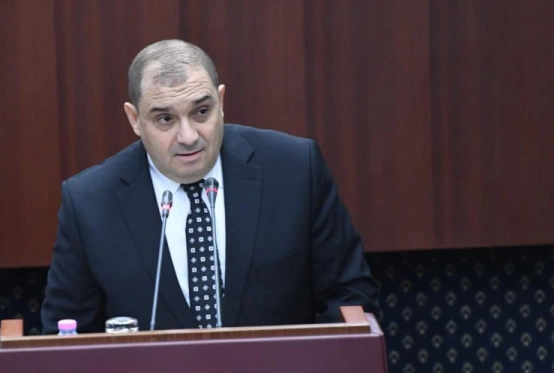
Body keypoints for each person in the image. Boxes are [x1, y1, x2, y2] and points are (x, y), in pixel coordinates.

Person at [40, 39, 378, 334]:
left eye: (201, 112)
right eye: (165, 119)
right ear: (134, 119)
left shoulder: (294, 171)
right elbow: (66, 336)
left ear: (221, 101)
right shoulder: (90, 203)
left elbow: (350, 297)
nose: (188, 136)